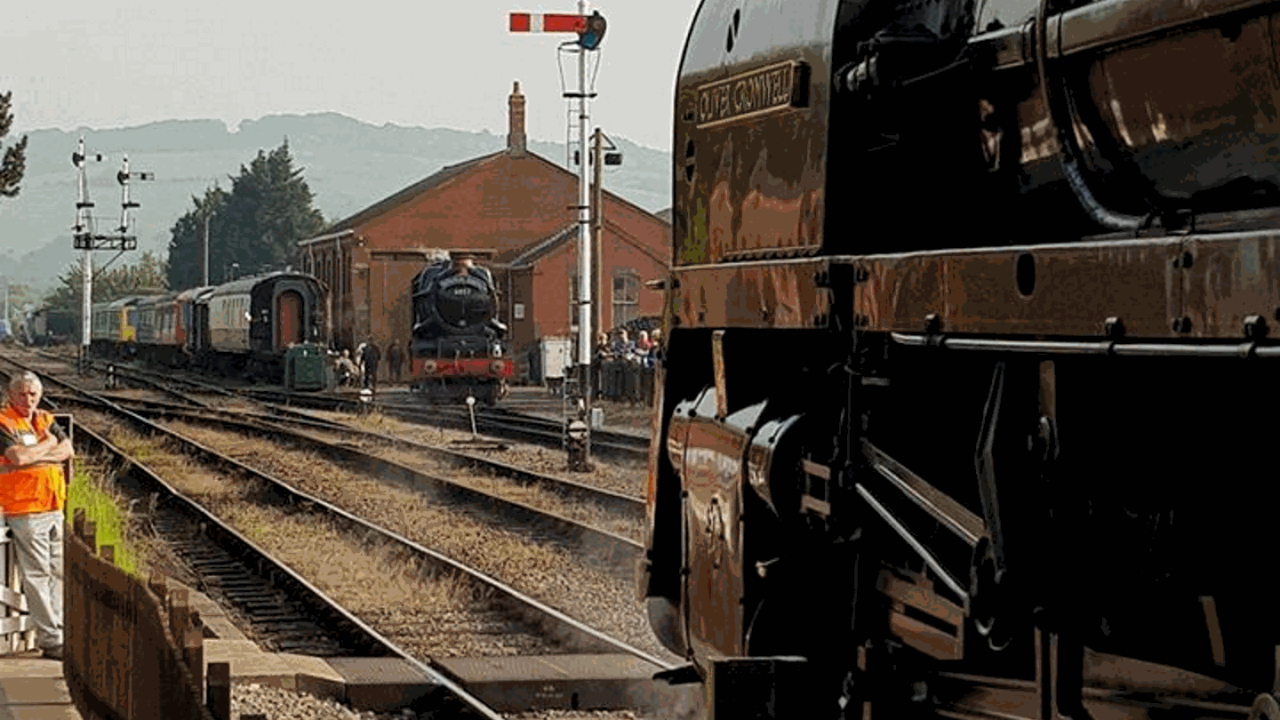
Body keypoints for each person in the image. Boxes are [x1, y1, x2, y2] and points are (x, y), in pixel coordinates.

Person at [0, 372, 74, 660]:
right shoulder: (4, 422)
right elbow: (18, 458)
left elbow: (68, 449)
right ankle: (52, 639)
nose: (28, 399)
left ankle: (60, 630)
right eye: (22, 393)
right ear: (11, 394)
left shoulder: (45, 418)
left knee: (57, 573)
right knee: (37, 575)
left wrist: (37, 451)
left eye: (33, 394)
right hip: (25, 508)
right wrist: (47, 446)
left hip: (54, 504)